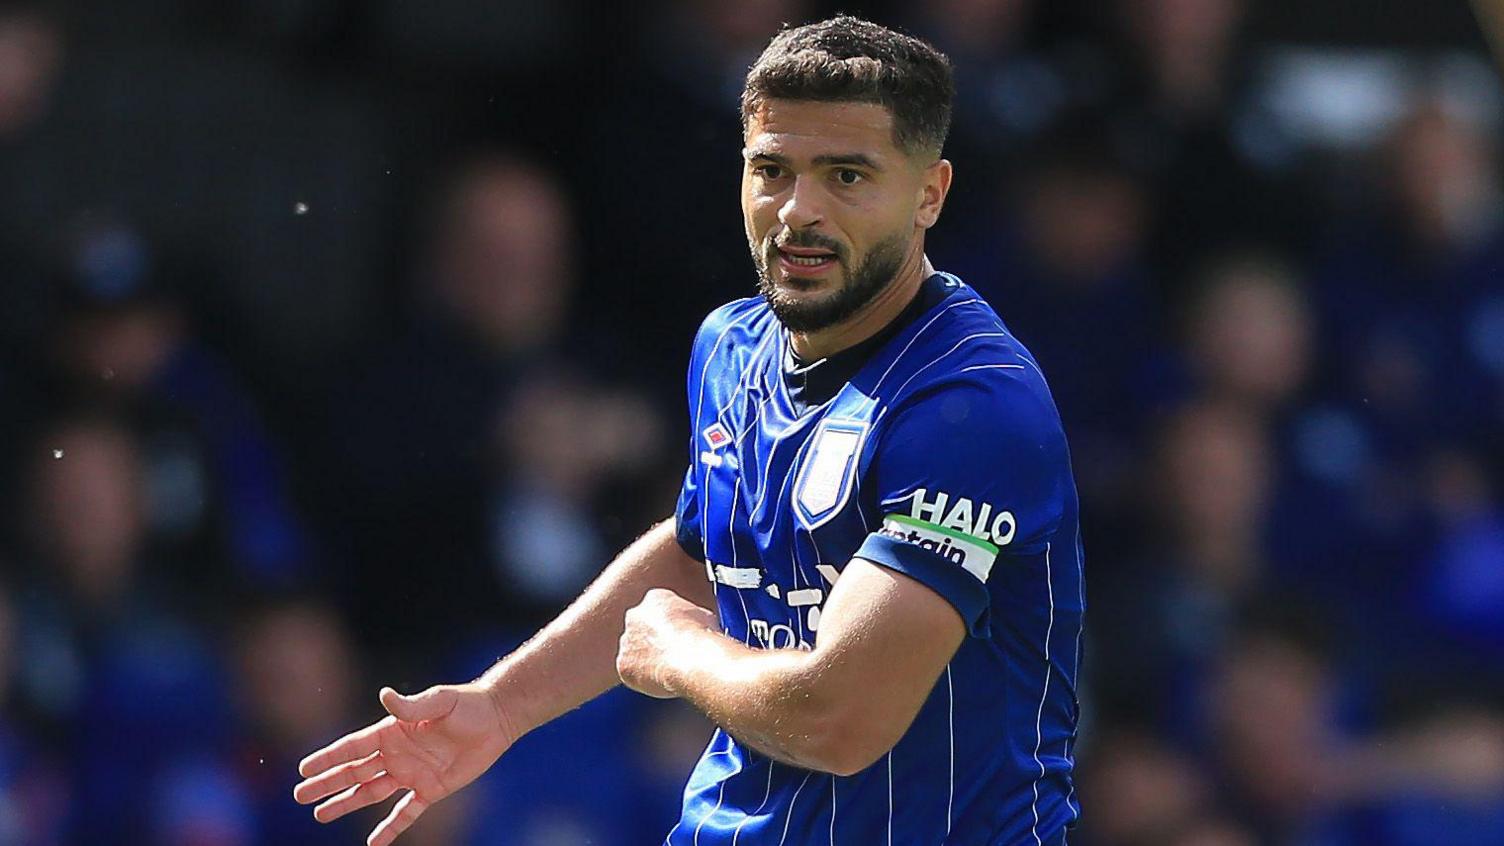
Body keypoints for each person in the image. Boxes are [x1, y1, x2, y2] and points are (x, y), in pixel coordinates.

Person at [293, 16, 1085, 845]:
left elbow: (841, 720)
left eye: (847, 176)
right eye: (771, 171)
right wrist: (499, 708)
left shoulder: (974, 407)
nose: (798, 211)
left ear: (930, 192)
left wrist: (680, 656)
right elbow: (703, 551)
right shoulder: (732, 346)